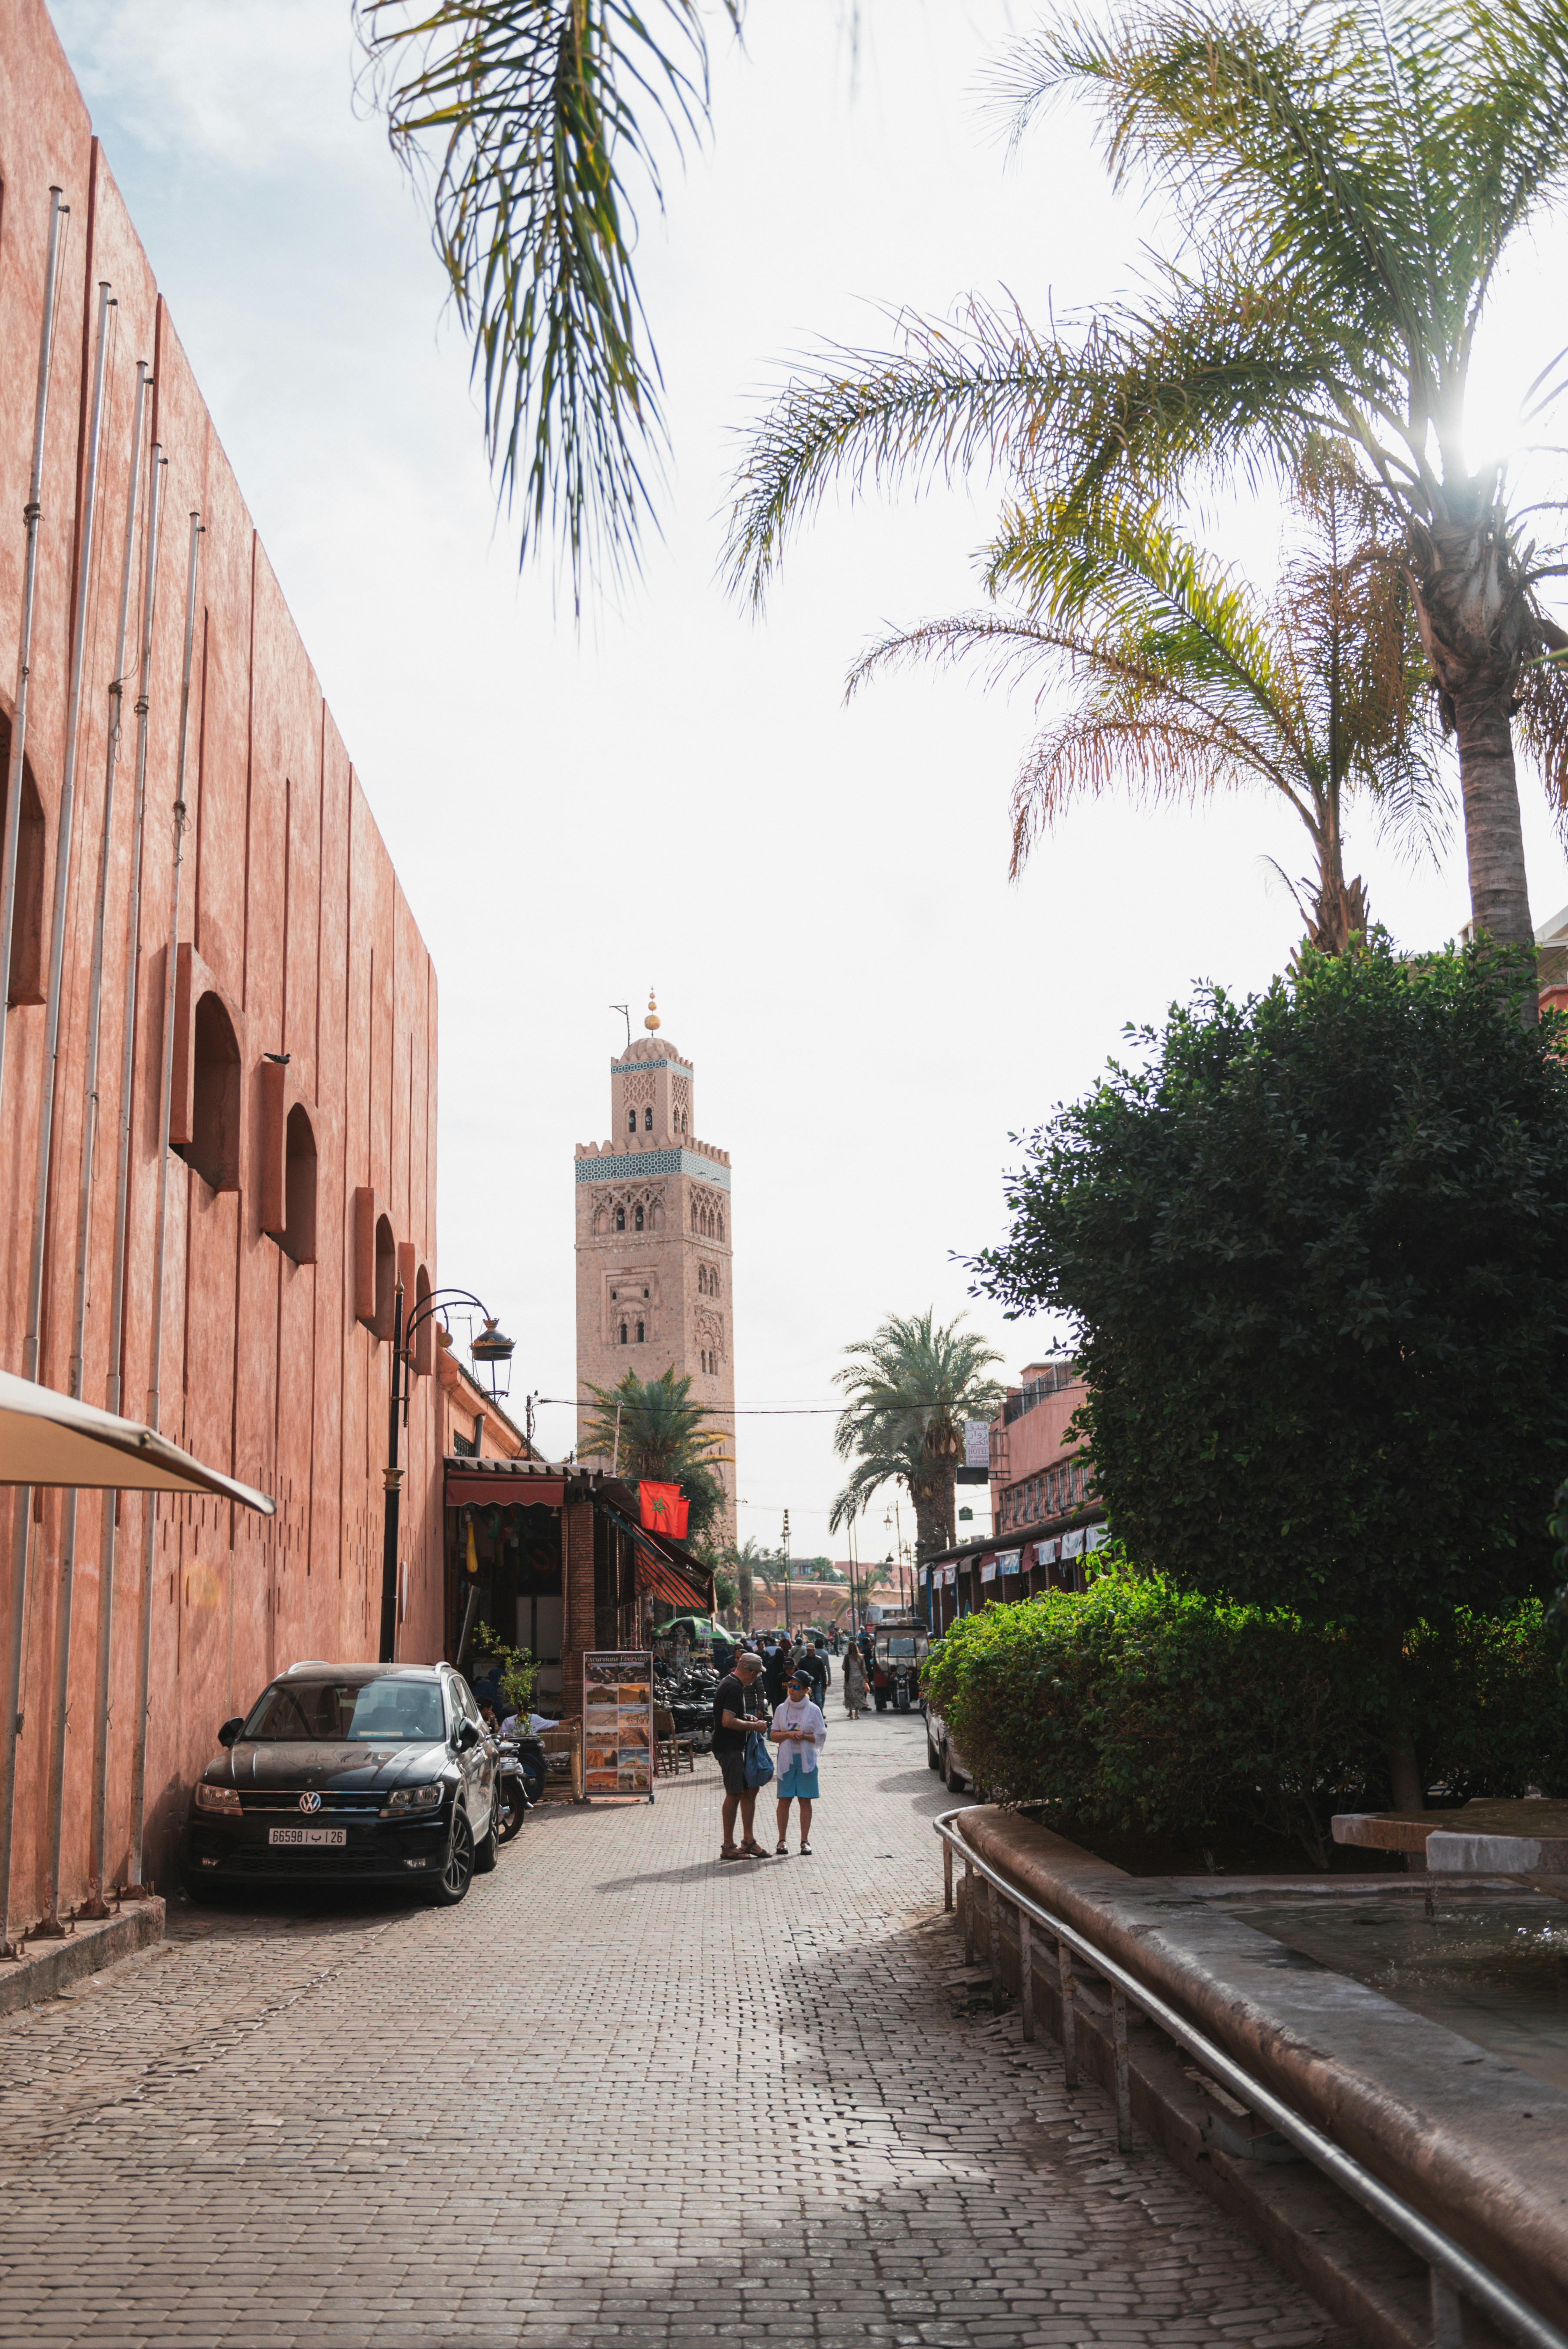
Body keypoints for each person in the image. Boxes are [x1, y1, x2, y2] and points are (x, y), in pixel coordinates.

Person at [712, 1652, 770, 1862]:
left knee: (750, 1790)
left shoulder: (730, 1682)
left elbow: (732, 1715)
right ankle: (728, 1845)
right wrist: (754, 1726)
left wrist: (746, 1717)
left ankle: (748, 1840)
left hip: (734, 1746)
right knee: (735, 1793)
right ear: (752, 1673)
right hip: (729, 1748)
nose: (757, 1678)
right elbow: (727, 1721)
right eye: (757, 1674)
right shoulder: (734, 1687)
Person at [769, 1664, 826, 1855]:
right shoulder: (781, 1709)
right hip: (787, 1760)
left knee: (805, 1799)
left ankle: (804, 1841)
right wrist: (788, 1734)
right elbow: (773, 1735)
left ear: (805, 1690)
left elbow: (820, 1736)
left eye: (796, 1687)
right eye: (790, 1686)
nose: (792, 1690)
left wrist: (805, 1736)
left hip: (806, 1760)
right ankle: (782, 1840)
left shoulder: (814, 1710)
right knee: (784, 1799)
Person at [841, 1642, 867, 1721]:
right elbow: (863, 1669)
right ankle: (856, 1713)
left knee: (850, 1696)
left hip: (849, 1679)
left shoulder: (847, 1657)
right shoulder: (861, 1657)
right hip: (859, 1679)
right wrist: (866, 1676)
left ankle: (850, 1712)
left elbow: (844, 1667)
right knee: (858, 1696)